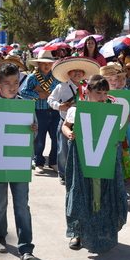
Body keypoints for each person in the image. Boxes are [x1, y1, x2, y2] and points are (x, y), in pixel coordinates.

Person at [0, 62, 38, 260]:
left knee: (22, 205)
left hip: (18, 162)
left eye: (15, 82)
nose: (12, 87)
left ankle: (26, 247)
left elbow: (34, 133)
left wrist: (33, 129)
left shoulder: (25, 105)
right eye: (7, 83)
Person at [61, 74, 129, 253]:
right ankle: (77, 233)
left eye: (105, 93)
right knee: (82, 194)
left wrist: (116, 140)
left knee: (105, 194)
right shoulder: (76, 110)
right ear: (88, 92)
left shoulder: (111, 109)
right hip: (82, 160)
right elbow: (65, 125)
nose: (102, 97)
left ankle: (105, 232)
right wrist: (69, 133)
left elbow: (117, 132)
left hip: (105, 158)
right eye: (98, 92)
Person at [48, 57, 101, 185]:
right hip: (65, 122)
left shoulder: (87, 87)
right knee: (63, 150)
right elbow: (51, 99)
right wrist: (60, 106)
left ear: (83, 74)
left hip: (83, 123)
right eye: (74, 71)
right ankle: (63, 174)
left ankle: (78, 173)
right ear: (68, 73)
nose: (77, 73)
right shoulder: (62, 87)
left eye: (80, 71)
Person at [20, 51, 60, 174]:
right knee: (39, 139)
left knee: (56, 138)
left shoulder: (56, 77)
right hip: (39, 111)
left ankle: (53, 161)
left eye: (49, 63)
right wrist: (38, 95)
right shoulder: (33, 77)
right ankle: (38, 162)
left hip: (54, 111)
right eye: (43, 63)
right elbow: (23, 93)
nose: (46, 66)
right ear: (38, 64)